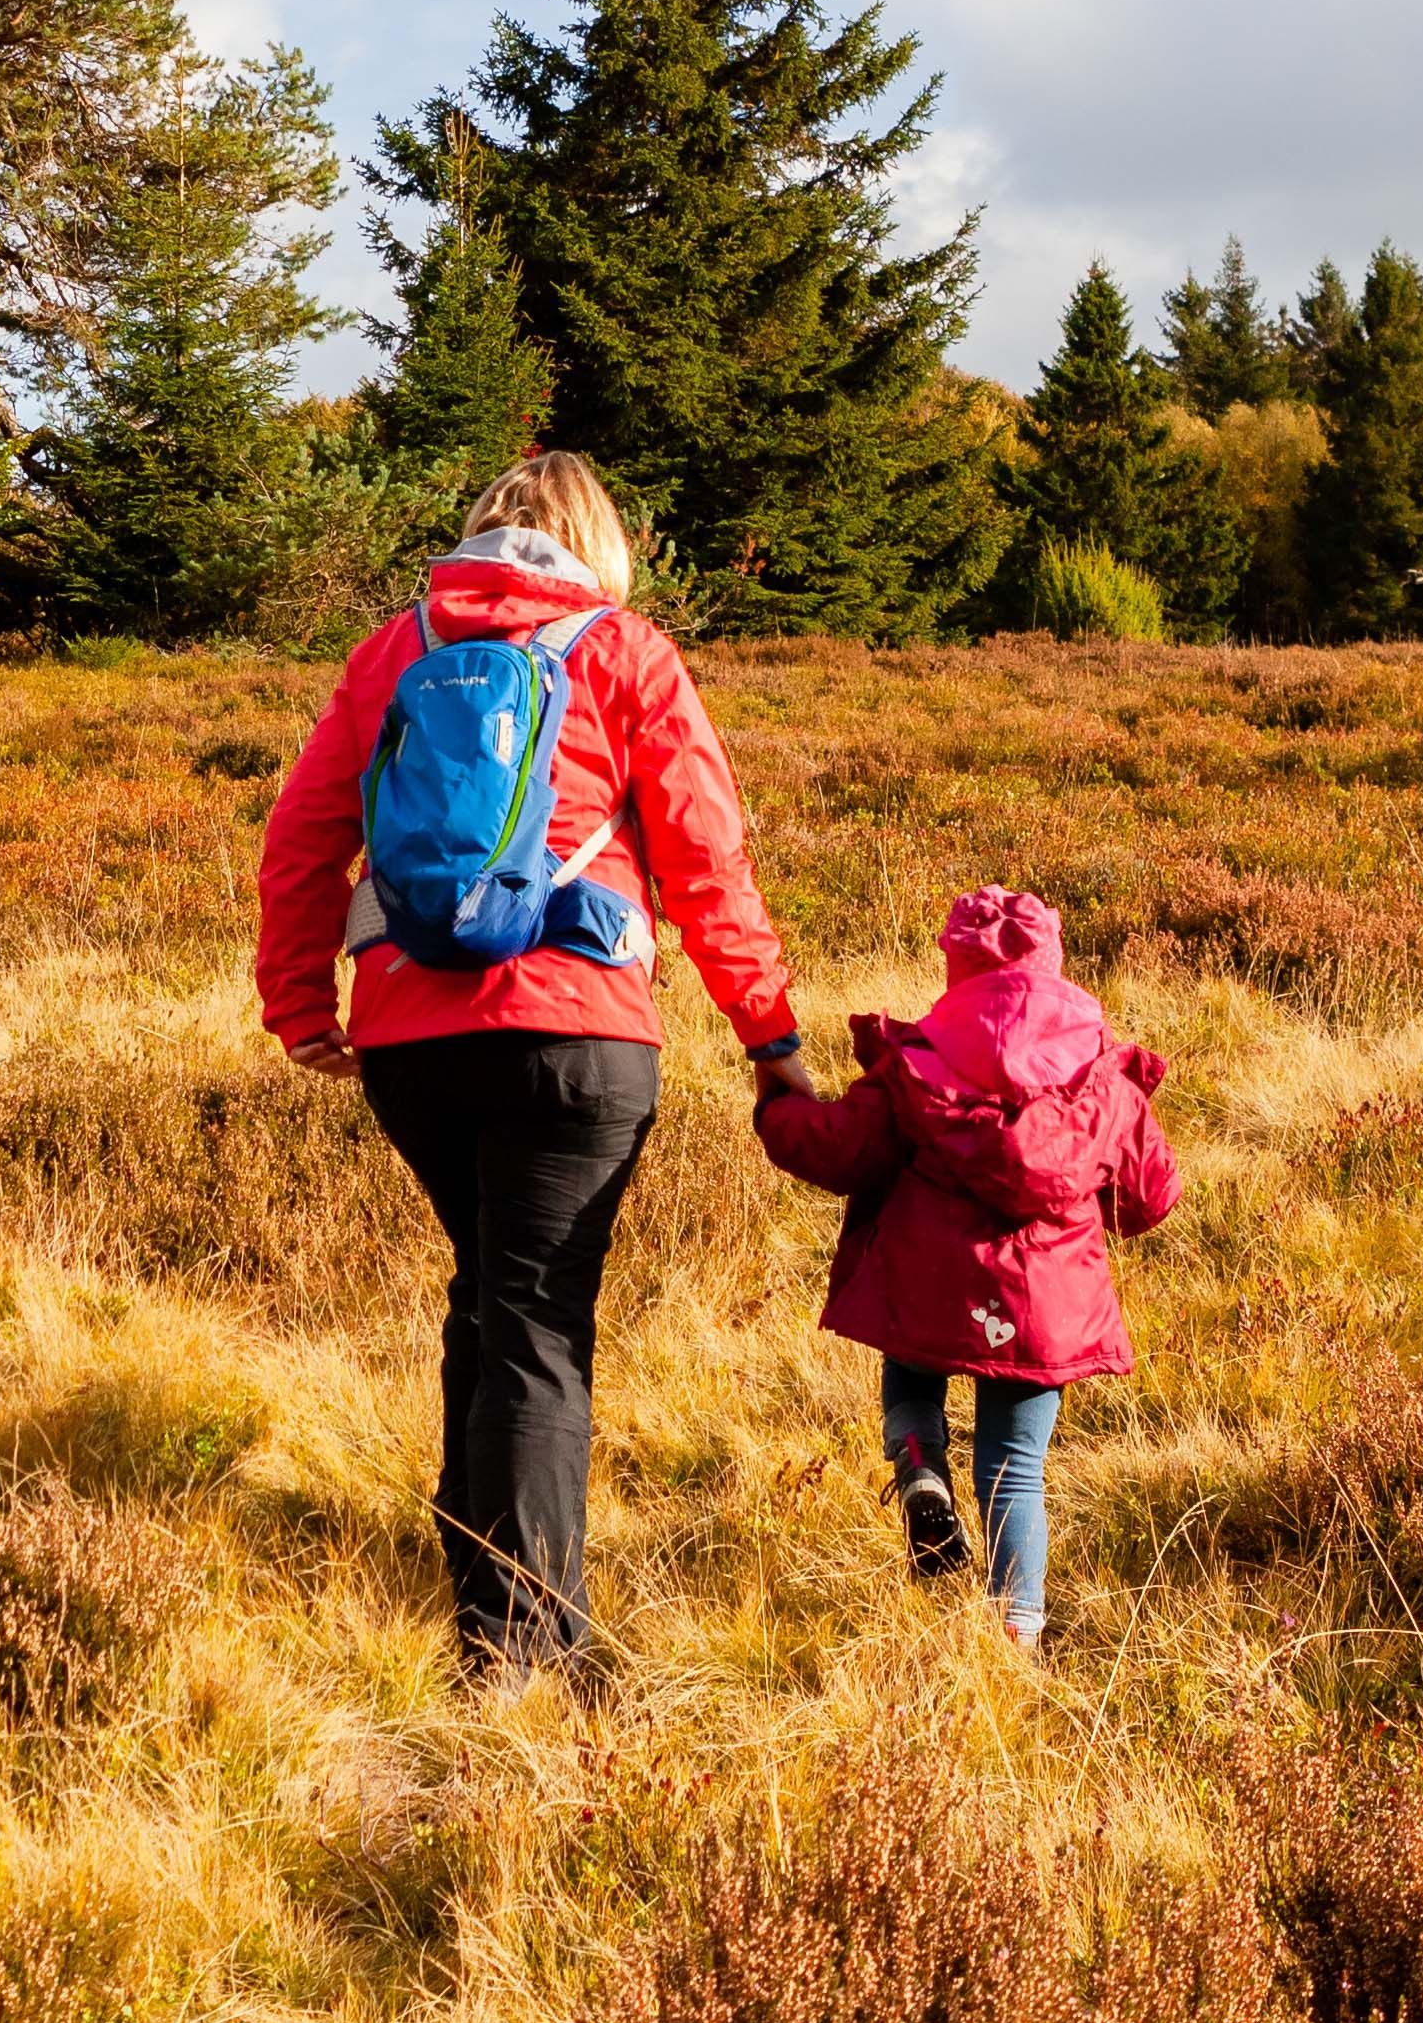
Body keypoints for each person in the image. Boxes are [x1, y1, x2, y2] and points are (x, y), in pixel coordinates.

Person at [253, 451, 797, 1687]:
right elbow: (709, 858)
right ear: (594, 543)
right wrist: (773, 1041)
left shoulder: (395, 651)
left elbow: (304, 833)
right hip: (582, 1037)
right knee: (539, 1324)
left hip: (412, 1038)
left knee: (490, 1299)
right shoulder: (625, 651)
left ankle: (480, 1596)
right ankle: (527, 1656)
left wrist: (299, 1001)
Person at [750, 885, 1176, 1647]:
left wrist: (775, 1105)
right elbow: (1149, 1201)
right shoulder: (1103, 1082)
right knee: (1014, 1468)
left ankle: (917, 1463)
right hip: (1046, 1308)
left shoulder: (915, 1069)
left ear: (957, 969)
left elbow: (837, 1146)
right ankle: (1014, 1636)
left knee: (912, 1367)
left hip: (929, 1288)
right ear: (1053, 963)